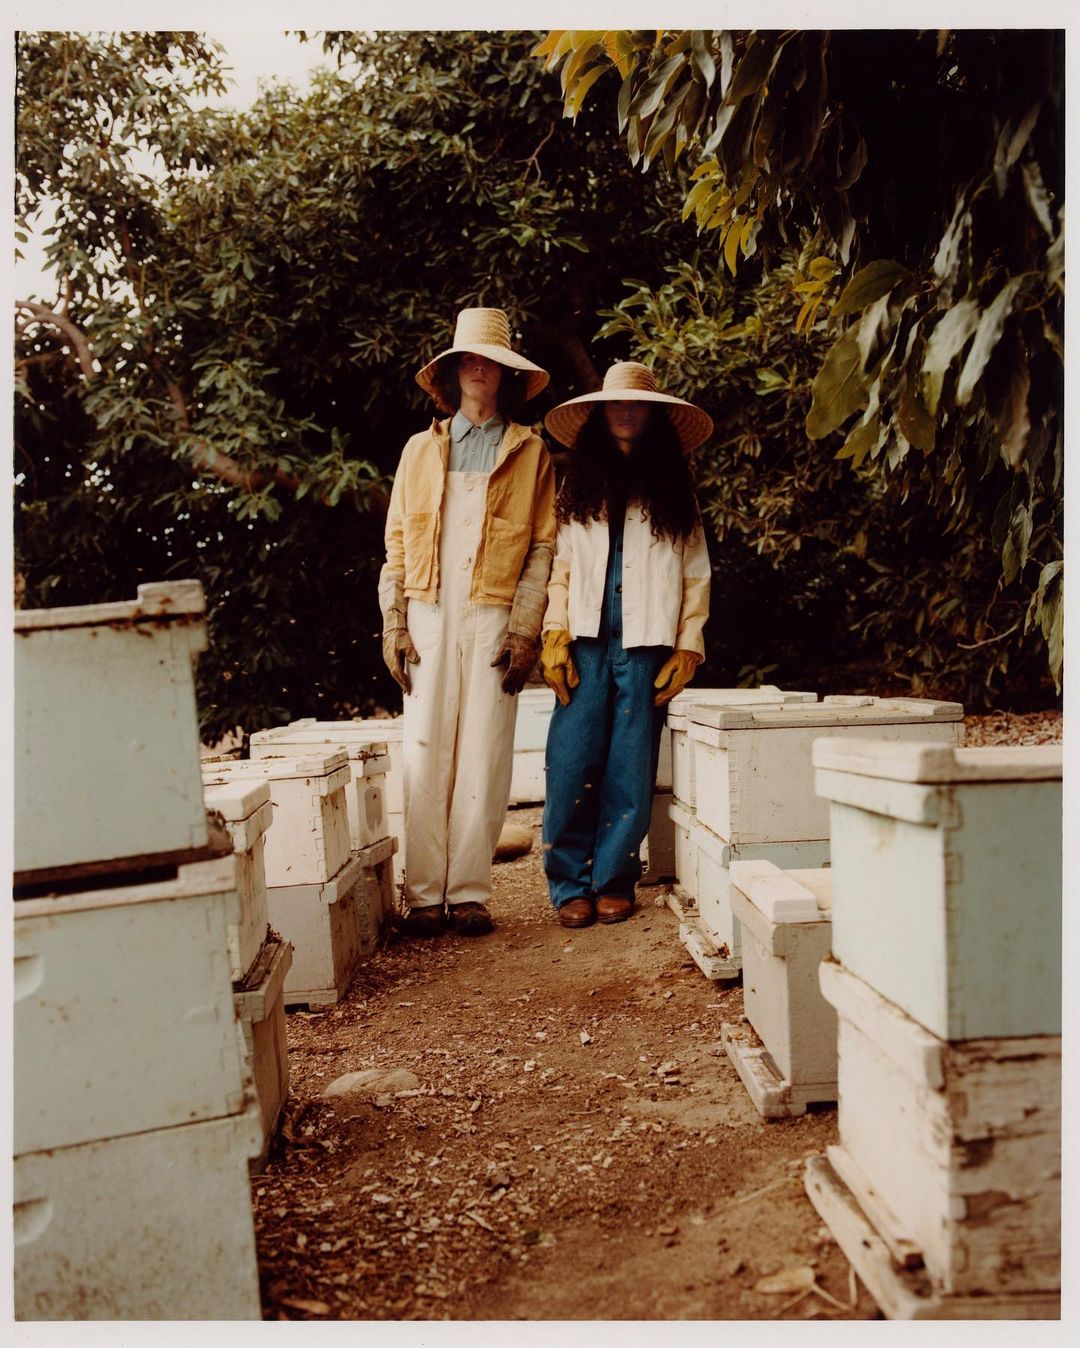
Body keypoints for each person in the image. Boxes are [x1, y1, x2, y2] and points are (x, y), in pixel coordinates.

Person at [379, 307, 555, 937]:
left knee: (485, 747)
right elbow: (397, 543)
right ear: (453, 373)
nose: (480, 370)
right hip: (428, 609)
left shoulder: (529, 451)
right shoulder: (419, 450)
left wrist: (525, 628)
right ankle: (425, 895)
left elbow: (542, 545)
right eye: (470, 360)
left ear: (507, 375)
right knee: (425, 748)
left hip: (494, 613)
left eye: (491, 362)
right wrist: (393, 622)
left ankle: (470, 892)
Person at [539, 361, 712, 929]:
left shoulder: (674, 487)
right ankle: (569, 884)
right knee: (571, 760)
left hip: (645, 643)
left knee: (630, 766)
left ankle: (613, 880)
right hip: (584, 642)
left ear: (654, 415)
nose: (627, 411)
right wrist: (553, 633)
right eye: (617, 402)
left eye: (637, 403)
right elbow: (562, 565)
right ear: (601, 412)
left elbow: (695, 571)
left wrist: (688, 646)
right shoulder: (578, 485)